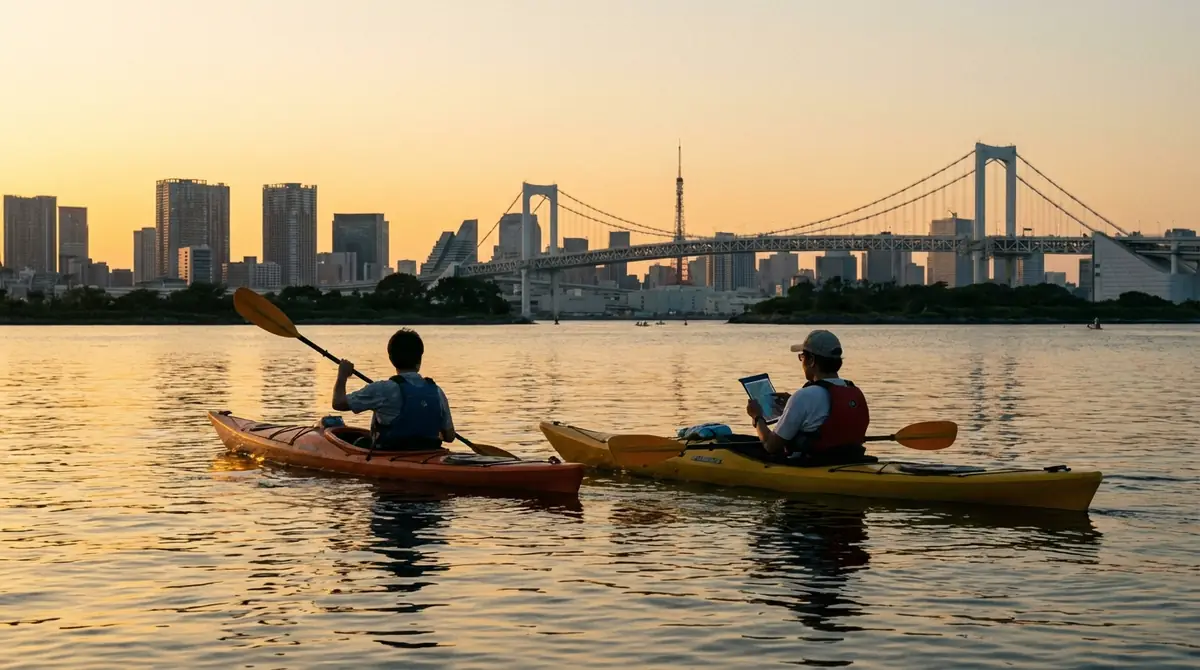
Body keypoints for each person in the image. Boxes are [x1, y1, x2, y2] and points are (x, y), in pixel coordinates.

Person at [745, 329, 871, 465]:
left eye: (802, 356)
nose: (802, 361)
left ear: (811, 360)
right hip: (851, 460)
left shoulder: (804, 396)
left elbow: (771, 445)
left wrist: (757, 417)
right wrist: (791, 403)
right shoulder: (854, 391)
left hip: (814, 465)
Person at [331, 328, 455, 451]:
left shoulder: (383, 389)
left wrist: (342, 375)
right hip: (429, 453)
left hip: (391, 453)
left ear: (391, 359)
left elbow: (338, 403)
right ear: (420, 358)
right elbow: (449, 436)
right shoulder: (437, 392)